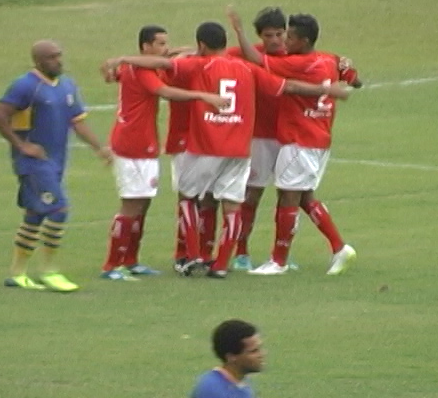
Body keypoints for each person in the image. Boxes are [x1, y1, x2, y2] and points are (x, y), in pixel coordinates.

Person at [101, 22, 350, 278]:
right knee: (231, 206)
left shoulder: (198, 64)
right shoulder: (247, 68)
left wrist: (122, 60)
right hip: (240, 147)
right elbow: (289, 87)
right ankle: (220, 264)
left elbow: (165, 69)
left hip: (206, 144)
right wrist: (326, 89)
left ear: (202, 46)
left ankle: (193, 256)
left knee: (189, 198)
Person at [225, 7, 362, 272]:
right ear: (261, 36)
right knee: (269, 195)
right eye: (271, 35)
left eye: (282, 35)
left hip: (296, 138)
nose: (278, 41)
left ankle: (281, 260)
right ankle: (244, 253)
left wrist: (348, 74)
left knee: (290, 196)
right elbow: (216, 56)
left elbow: (290, 82)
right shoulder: (322, 57)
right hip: (267, 136)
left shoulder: (293, 59)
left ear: (300, 39)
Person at [99, 25, 227, 281]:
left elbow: (113, 73)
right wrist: (204, 96)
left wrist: (180, 50)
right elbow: (166, 92)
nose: (164, 49)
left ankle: (131, 260)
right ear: (145, 47)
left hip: (143, 142)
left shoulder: (137, 66)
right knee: (131, 204)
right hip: (131, 143)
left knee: (143, 203)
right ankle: (112, 265)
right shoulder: (141, 70)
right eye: (159, 44)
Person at [0, 40, 112, 292]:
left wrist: (99, 148)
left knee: (35, 214)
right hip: (33, 163)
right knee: (59, 208)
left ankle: (17, 273)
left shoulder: (66, 85)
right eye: (51, 57)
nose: (58, 61)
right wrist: (21, 145)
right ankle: (49, 270)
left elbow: (77, 122)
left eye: (59, 56)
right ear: (38, 61)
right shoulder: (26, 86)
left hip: (57, 162)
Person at [189, 319, 264, 398]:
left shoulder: (242, 381)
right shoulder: (212, 391)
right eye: (253, 351)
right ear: (231, 357)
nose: (261, 354)